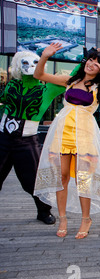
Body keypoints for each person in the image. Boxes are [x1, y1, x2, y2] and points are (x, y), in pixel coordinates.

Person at [33, 43, 100, 239]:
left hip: (85, 135)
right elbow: (39, 76)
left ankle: (86, 219)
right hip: (63, 133)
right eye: (90, 60)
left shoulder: (99, 88)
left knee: (84, 180)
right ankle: (62, 218)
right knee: (62, 176)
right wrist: (45, 57)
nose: (91, 64)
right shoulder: (70, 81)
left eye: (97, 63)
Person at [0, 51, 67, 225]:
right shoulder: (12, 84)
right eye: (25, 63)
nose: (30, 66)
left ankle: (44, 211)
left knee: (36, 180)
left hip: (27, 140)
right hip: (3, 138)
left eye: (35, 63)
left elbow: (72, 80)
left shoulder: (48, 87)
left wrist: (86, 61)